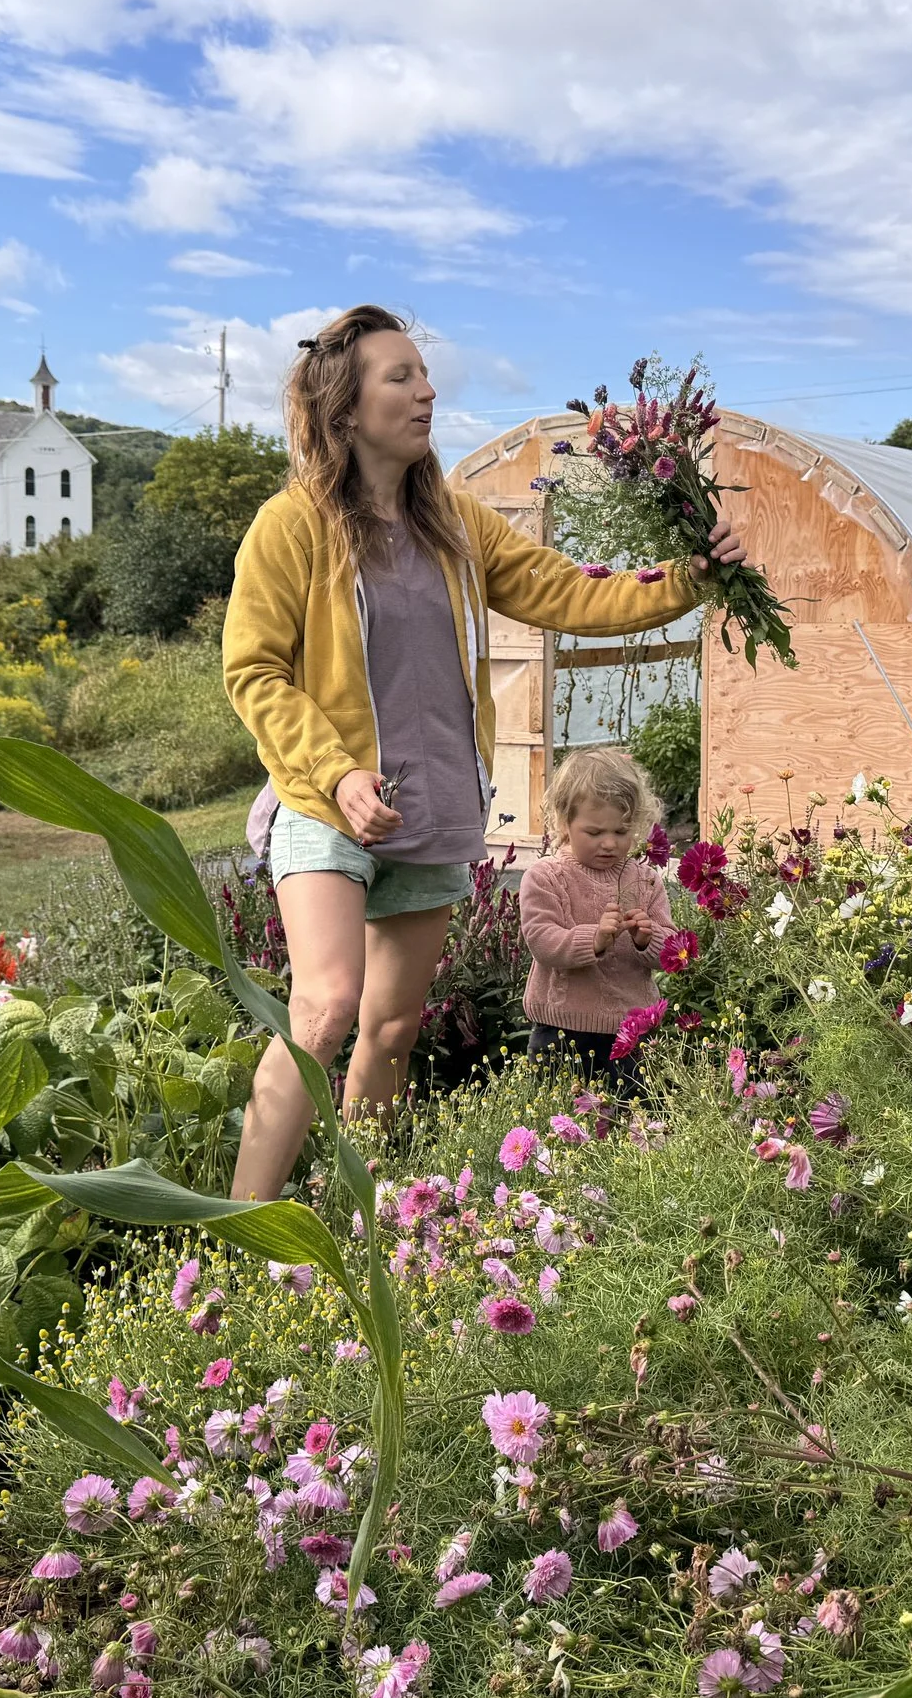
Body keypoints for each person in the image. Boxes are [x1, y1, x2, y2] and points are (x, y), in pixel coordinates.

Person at [222, 303, 753, 1201]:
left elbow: (565, 590)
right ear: (345, 409)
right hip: (325, 806)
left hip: (433, 811)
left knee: (391, 1030)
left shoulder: (455, 525)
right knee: (323, 1010)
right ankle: (242, 1228)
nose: (428, 389)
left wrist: (692, 578)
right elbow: (256, 672)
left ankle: (366, 1216)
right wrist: (337, 772)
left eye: (426, 374)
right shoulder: (292, 526)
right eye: (402, 376)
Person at [517, 748, 672, 1096]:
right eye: (594, 831)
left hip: (633, 1029)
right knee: (560, 1123)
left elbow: (671, 952)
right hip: (561, 1029)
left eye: (621, 831)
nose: (609, 843)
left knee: (634, 1125)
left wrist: (648, 939)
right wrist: (596, 939)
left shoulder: (645, 881)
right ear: (563, 823)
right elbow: (542, 941)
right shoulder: (546, 877)